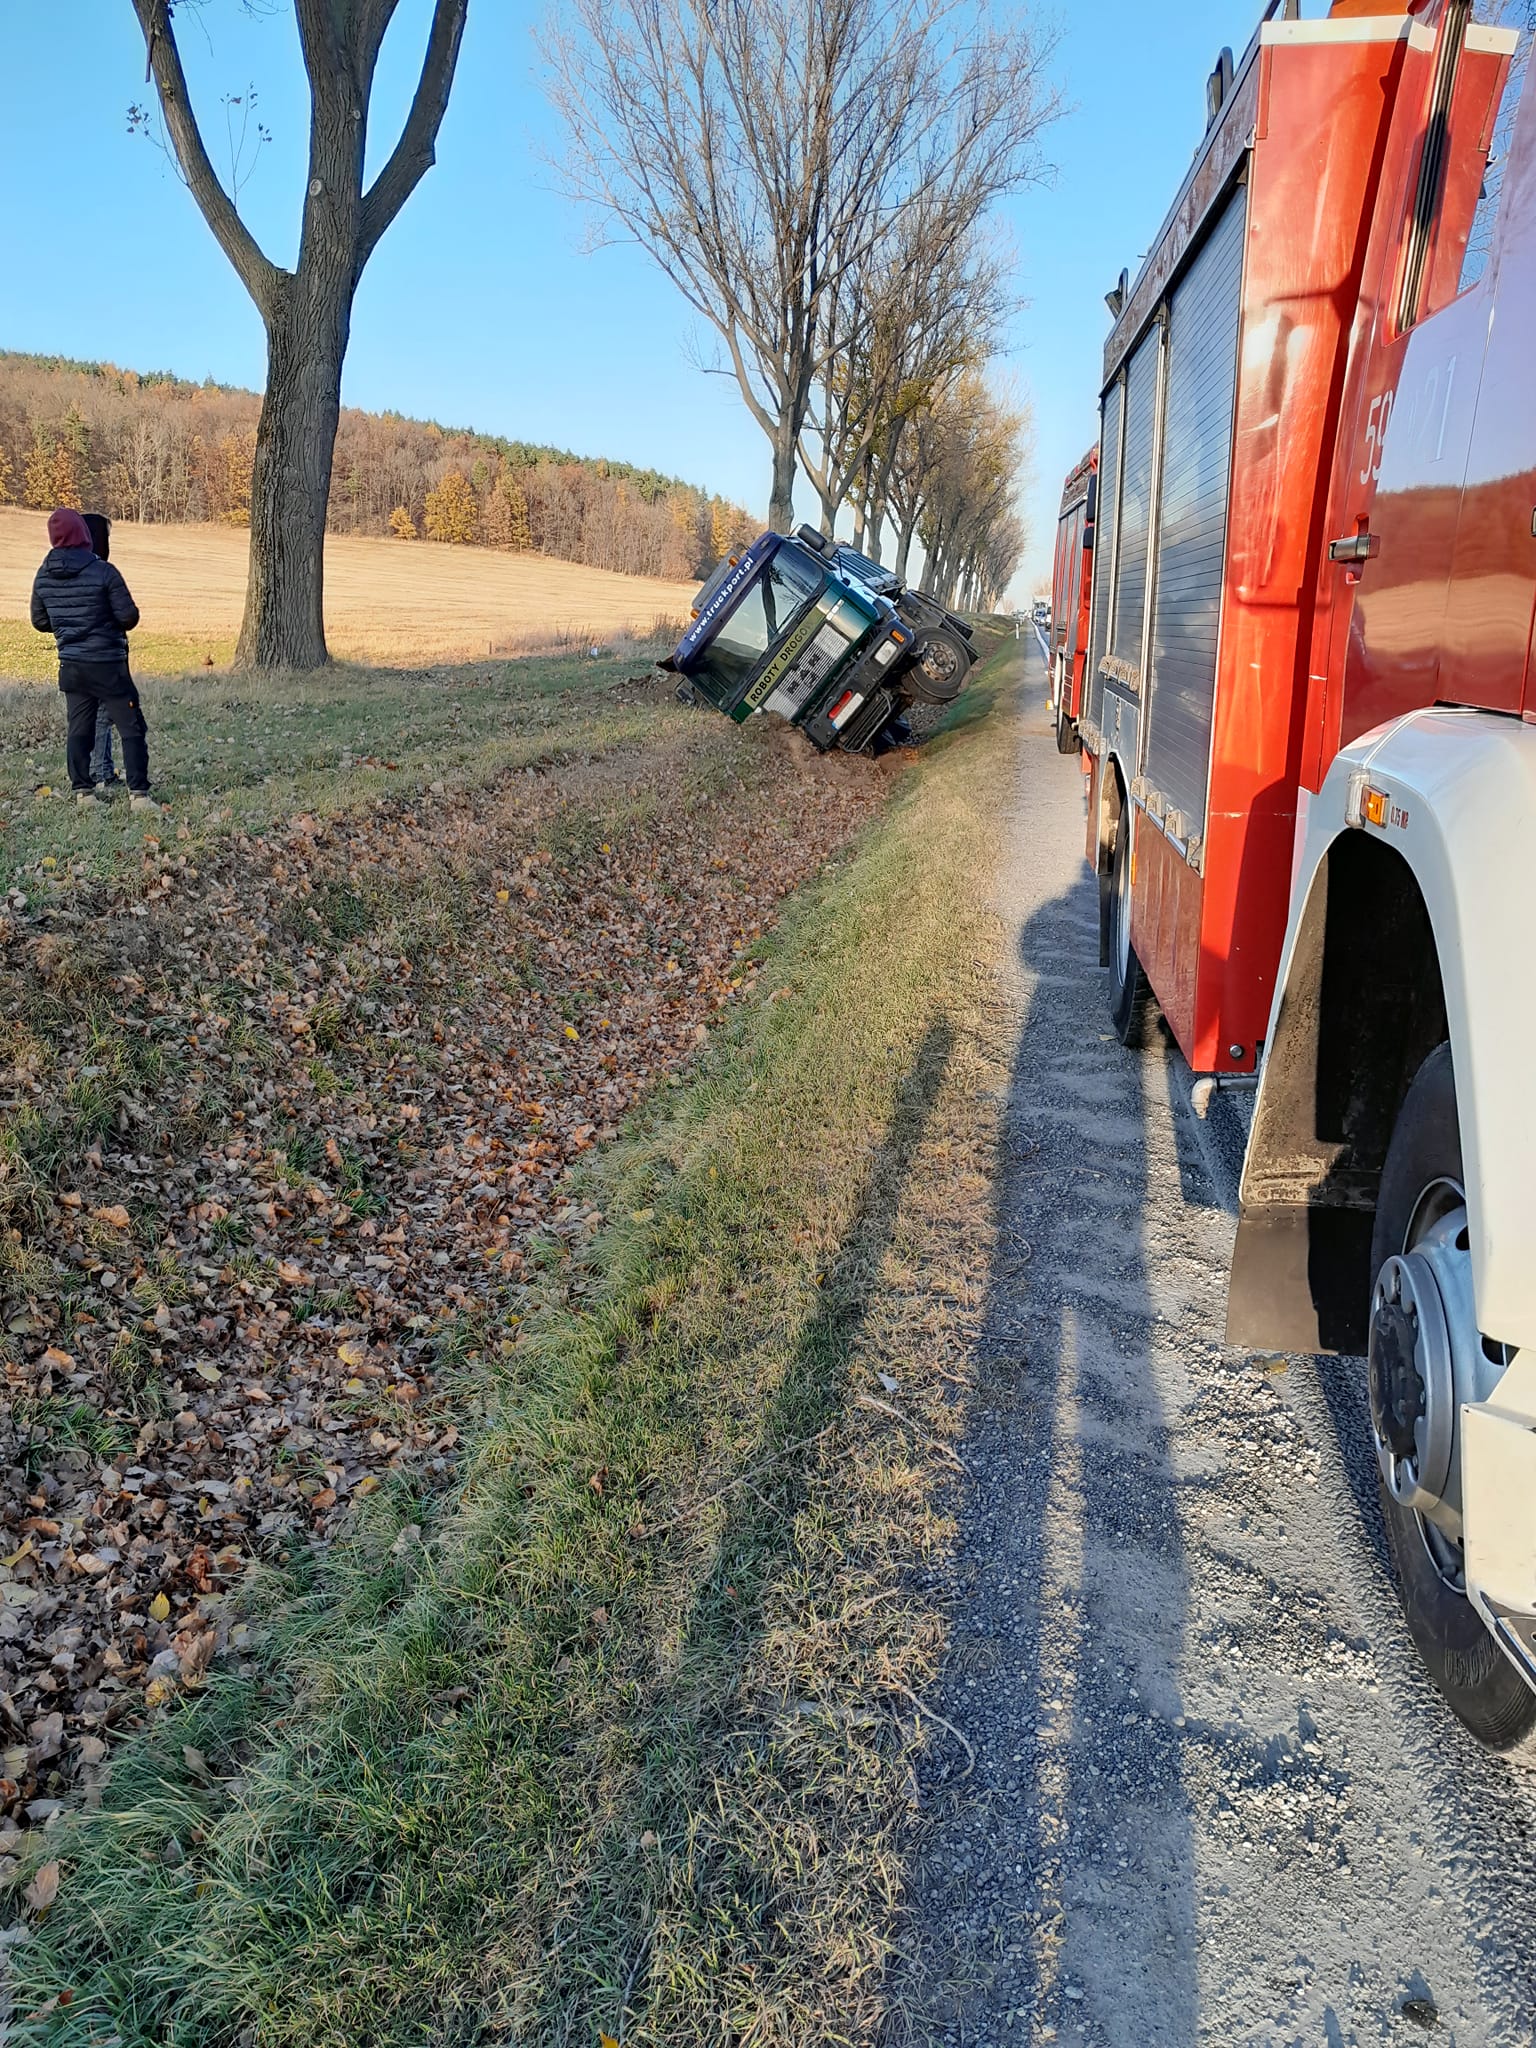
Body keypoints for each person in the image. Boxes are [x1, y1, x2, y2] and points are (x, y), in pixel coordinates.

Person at [29, 507, 157, 812]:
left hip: (72, 665)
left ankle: (83, 793)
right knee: (131, 727)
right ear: (83, 534)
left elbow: (39, 620)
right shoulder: (103, 571)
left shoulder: (43, 575)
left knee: (79, 729)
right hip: (108, 665)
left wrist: (67, 627)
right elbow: (128, 616)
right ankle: (138, 795)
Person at [82, 513, 122, 788]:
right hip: (101, 654)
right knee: (103, 716)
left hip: (75, 655)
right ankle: (98, 773)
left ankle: (104, 771)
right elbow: (124, 614)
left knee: (99, 715)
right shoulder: (100, 573)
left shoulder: (69, 570)